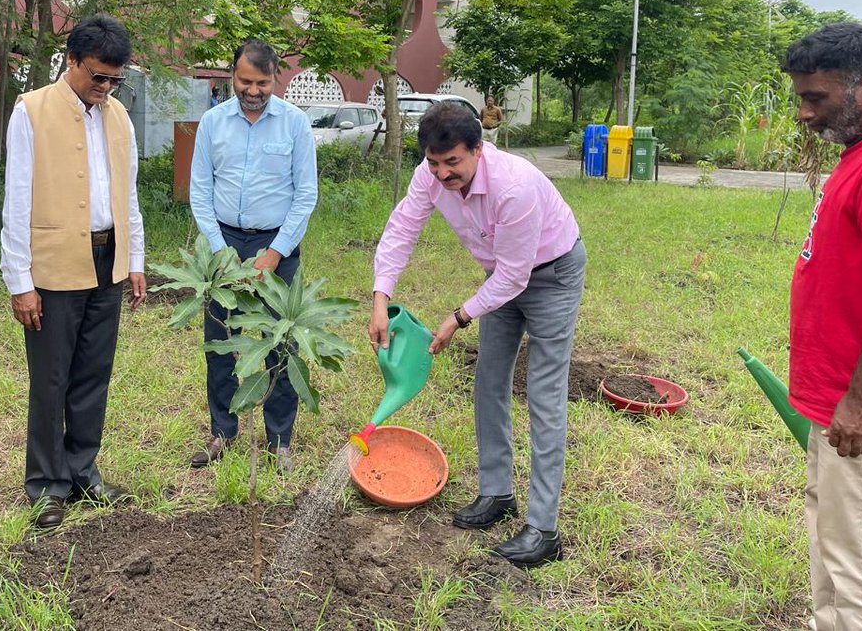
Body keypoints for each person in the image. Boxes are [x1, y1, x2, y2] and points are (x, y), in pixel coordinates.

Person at [370, 102, 585, 567]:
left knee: (545, 395)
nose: (443, 174)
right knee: (489, 382)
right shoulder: (429, 176)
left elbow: (515, 276)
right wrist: (380, 298)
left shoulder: (514, 187)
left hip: (553, 274)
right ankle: (496, 494)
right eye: (434, 162)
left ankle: (544, 531)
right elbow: (402, 227)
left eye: (453, 162)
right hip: (499, 275)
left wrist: (458, 317)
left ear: (478, 149)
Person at [0, 14, 147, 531]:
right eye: (97, 77)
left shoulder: (119, 117)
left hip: (108, 259)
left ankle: (83, 470)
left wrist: (136, 260)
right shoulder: (32, 111)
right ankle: (46, 484)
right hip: (55, 261)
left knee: (92, 373)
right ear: (72, 61)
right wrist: (19, 280)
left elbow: (127, 194)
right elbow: (17, 199)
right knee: (52, 377)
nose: (105, 88)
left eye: (114, 79)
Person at [783, 22, 862, 630]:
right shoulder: (858, 156)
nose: (803, 114)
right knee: (831, 544)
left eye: (815, 98)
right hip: (834, 398)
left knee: (857, 565)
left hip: (858, 411)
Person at [188, 38, 318, 473]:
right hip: (224, 245)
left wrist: (276, 253)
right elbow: (200, 193)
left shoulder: (295, 124)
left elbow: (306, 196)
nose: (254, 90)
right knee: (220, 340)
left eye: (263, 82)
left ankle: (279, 440)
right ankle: (222, 431)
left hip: (277, 245)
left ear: (275, 77)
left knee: (280, 342)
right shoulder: (211, 123)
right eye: (246, 81)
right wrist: (221, 251)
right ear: (232, 75)